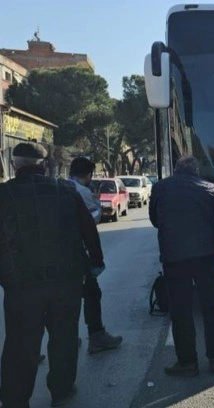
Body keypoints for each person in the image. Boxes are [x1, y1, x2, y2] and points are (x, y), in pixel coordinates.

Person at [0, 143, 104, 407]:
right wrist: (95, 262)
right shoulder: (66, 191)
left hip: (21, 286)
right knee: (64, 338)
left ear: (15, 166)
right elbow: (88, 229)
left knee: (20, 344)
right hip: (65, 282)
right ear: (45, 166)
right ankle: (62, 390)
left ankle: (15, 398)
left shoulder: (4, 195)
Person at [149, 156, 214, 376]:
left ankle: (187, 363)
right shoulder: (211, 189)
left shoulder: (160, 188)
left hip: (174, 259)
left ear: (176, 171)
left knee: (181, 311)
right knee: (211, 307)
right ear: (197, 171)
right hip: (207, 256)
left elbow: (154, 219)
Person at [68, 157, 124, 354]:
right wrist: (97, 259)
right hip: (77, 252)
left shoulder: (59, 187)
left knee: (65, 298)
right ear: (89, 175)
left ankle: (66, 338)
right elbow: (90, 223)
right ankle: (96, 336)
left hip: (56, 253)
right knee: (92, 294)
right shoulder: (82, 192)